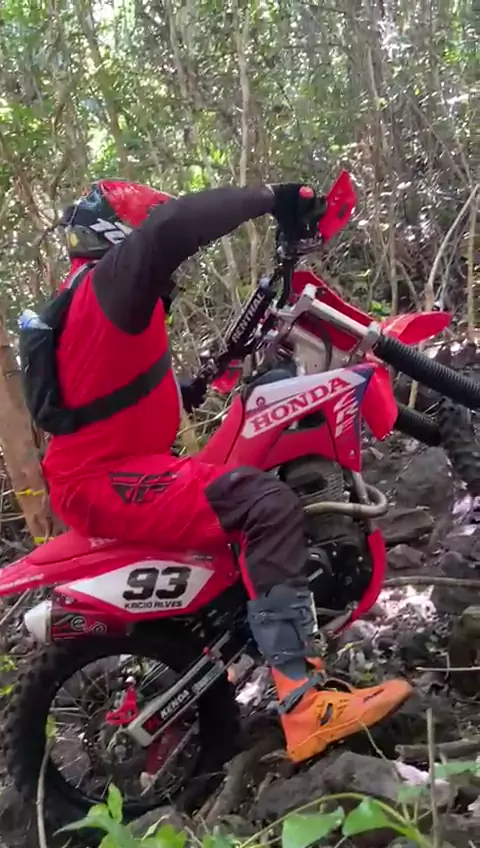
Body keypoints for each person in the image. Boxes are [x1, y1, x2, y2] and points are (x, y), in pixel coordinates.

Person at [28, 179, 412, 764]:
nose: (166, 282)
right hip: (106, 481)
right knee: (266, 506)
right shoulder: (110, 281)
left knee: (245, 487)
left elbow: (100, 391)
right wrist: (273, 196)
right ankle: (303, 703)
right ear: (121, 238)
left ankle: (239, 649)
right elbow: (172, 228)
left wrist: (182, 390)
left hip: (117, 468)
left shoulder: (86, 299)